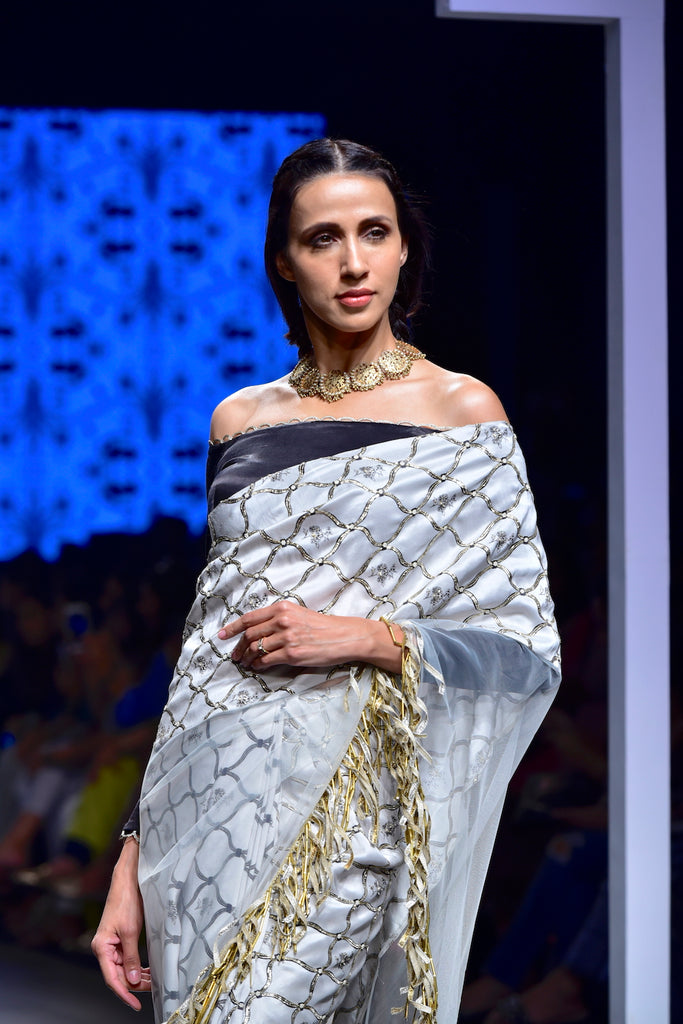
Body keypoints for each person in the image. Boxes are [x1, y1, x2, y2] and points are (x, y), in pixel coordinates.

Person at [92, 138, 561, 1024]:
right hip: (211, 812)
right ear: (283, 259)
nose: (353, 263)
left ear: (404, 248)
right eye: (322, 239)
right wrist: (130, 861)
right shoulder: (239, 421)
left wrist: (367, 638)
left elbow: (523, 647)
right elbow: (203, 660)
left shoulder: (462, 415)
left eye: (374, 232)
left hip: (356, 815)